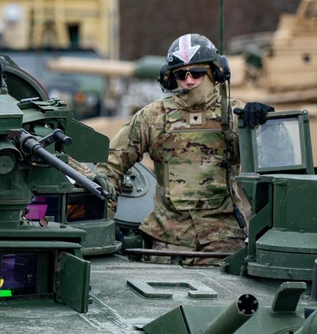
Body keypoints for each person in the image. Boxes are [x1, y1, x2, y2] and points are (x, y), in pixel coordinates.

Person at [95, 34, 274, 264]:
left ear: (215, 73)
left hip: (223, 239)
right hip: (166, 241)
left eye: (197, 74)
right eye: (181, 74)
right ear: (171, 78)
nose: (189, 81)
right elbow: (110, 165)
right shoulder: (152, 117)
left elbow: (276, 165)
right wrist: (106, 222)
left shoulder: (236, 115)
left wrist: (267, 127)